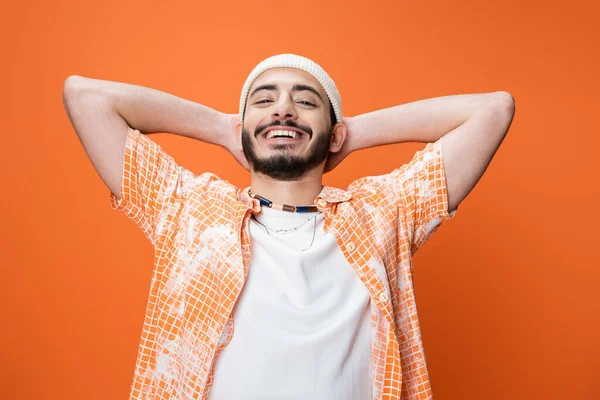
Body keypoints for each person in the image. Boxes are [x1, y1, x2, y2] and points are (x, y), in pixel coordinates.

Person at [62, 53, 515, 400]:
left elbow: (492, 111)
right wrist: (224, 128)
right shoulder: (189, 209)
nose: (283, 110)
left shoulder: (381, 214)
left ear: (332, 133)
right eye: (264, 101)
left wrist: (349, 132)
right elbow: (86, 96)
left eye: (304, 101)